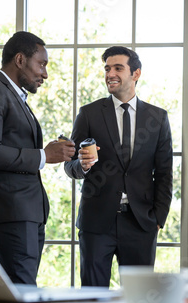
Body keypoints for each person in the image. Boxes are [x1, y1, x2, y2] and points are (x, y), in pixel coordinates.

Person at [0, 31, 75, 285]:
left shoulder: (13, 95)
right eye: (42, 64)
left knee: (18, 289)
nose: (45, 74)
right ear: (20, 60)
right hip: (11, 212)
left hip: (26, 213)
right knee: (20, 291)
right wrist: (43, 155)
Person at [64, 46, 173, 287]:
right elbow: (70, 165)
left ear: (136, 74)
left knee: (138, 300)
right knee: (92, 297)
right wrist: (82, 165)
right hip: (96, 222)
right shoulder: (89, 114)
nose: (110, 74)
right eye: (107, 68)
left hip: (140, 223)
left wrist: (158, 217)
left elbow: (165, 173)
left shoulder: (158, 118)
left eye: (117, 68)